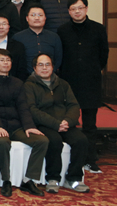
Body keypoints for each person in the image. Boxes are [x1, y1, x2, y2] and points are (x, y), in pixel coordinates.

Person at [0, 49, 48, 198]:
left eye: (8, 60)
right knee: (3, 142)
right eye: (2, 60)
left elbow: (23, 107)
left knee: (41, 141)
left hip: (16, 126)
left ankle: (28, 180)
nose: (6, 63)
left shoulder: (18, 83)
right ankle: (6, 180)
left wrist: (29, 127)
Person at [24, 53, 90, 193]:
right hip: (45, 124)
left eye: (47, 64)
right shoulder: (29, 85)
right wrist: (55, 124)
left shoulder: (63, 84)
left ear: (53, 67)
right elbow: (32, 110)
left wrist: (68, 121)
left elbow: (73, 105)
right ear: (34, 68)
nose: (44, 68)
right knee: (54, 141)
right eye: (40, 65)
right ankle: (53, 178)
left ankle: (73, 178)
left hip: (65, 123)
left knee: (81, 140)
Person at [57, 0, 109, 173]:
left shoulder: (98, 29)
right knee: (68, 122)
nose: (77, 11)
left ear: (86, 9)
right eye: (73, 9)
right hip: (68, 82)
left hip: (90, 82)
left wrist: (92, 69)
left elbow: (103, 55)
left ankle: (90, 159)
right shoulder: (62, 30)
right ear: (69, 11)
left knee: (89, 125)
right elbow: (60, 56)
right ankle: (69, 158)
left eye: (80, 8)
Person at [12, 6, 63, 75]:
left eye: (40, 15)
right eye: (33, 15)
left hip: (50, 76)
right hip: (25, 77)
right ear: (27, 18)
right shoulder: (18, 37)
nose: (37, 18)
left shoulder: (54, 37)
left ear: (45, 18)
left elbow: (58, 59)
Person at [0, 14, 27, 81]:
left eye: (4, 24)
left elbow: (21, 69)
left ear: (9, 27)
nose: (1, 27)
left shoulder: (18, 46)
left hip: (12, 82)